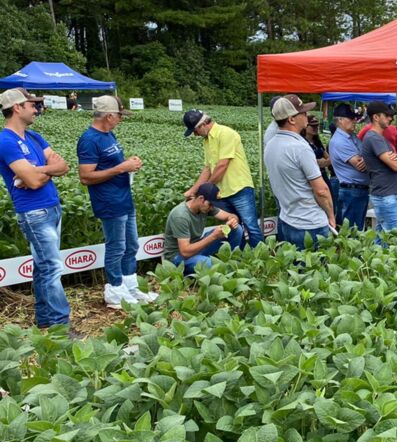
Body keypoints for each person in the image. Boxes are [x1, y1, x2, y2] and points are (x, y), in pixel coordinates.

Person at [0, 87, 72, 331]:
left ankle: (46, 322)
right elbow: (30, 182)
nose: (37, 109)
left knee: (44, 267)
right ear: (17, 107)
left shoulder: (34, 137)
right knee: (51, 268)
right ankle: (60, 326)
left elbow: (63, 166)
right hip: (34, 213)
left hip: (51, 208)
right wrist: (40, 172)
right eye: (32, 105)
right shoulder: (5, 140)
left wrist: (36, 171)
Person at [76, 95, 157, 308]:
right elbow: (85, 177)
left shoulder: (109, 135)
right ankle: (114, 289)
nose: (121, 119)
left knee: (131, 245)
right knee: (116, 247)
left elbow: (112, 164)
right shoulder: (89, 139)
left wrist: (129, 163)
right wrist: (121, 168)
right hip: (109, 202)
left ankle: (129, 285)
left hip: (124, 199)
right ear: (109, 116)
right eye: (119, 115)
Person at [183, 108, 263, 250]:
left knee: (251, 227)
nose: (195, 135)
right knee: (232, 227)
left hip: (239, 189)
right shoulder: (206, 141)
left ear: (202, 125)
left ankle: (262, 258)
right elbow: (208, 168)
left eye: (195, 131)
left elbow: (222, 165)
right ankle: (241, 258)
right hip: (221, 192)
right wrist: (193, 190)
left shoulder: (226, 134)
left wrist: (206, 189)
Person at [264, 95, 336, 249]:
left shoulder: (270, 144)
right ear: (291, 119)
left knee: (297, 268)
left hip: (287, 219)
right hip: (310, 223)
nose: (306, 116)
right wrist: (331, 216)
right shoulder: (300, 147)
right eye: (302, 112)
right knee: (316, 269)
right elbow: (321, 190)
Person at [161, 182, 239, 274]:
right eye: (210, 204)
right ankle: (200, 270)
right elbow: (185, 252)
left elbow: (230, 216)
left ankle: (229, 262)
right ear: (201, 198)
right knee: (209, 264)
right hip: (177, 257)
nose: (212, 208)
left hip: (196, 248)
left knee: (237, 230)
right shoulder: (180, 216)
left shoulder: (206, 206)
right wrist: (213, 236)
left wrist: (232, 220)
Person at [361, 101, 397, 242]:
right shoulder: (374, 138)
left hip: (385, 194)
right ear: (375, 117)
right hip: (386, 195)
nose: (390, 118)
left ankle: (375, 262)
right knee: (395, 239)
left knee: (381, 238)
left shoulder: (377, 138)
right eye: (386, 116)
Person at [329, 103, 369, 230]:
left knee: (357, 228)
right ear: (340, 120)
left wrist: (367, 158)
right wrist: (369, 159)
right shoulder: (339, 141)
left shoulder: (352, 137)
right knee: (352, 232)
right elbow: (360, 165)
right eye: (351, 118)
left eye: (355, 118)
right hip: (351, 190)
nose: (354, 121)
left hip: (358, 189)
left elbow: (366, 157)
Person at [302, 115, 332, 183]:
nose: (315, 128)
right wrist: (317, 162)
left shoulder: (317, 142)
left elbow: (329, 158)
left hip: (322, 175)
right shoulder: (302, 143)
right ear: (305, 127)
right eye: (313, 126)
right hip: (311, 177)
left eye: (317, 126)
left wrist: (324, 162)